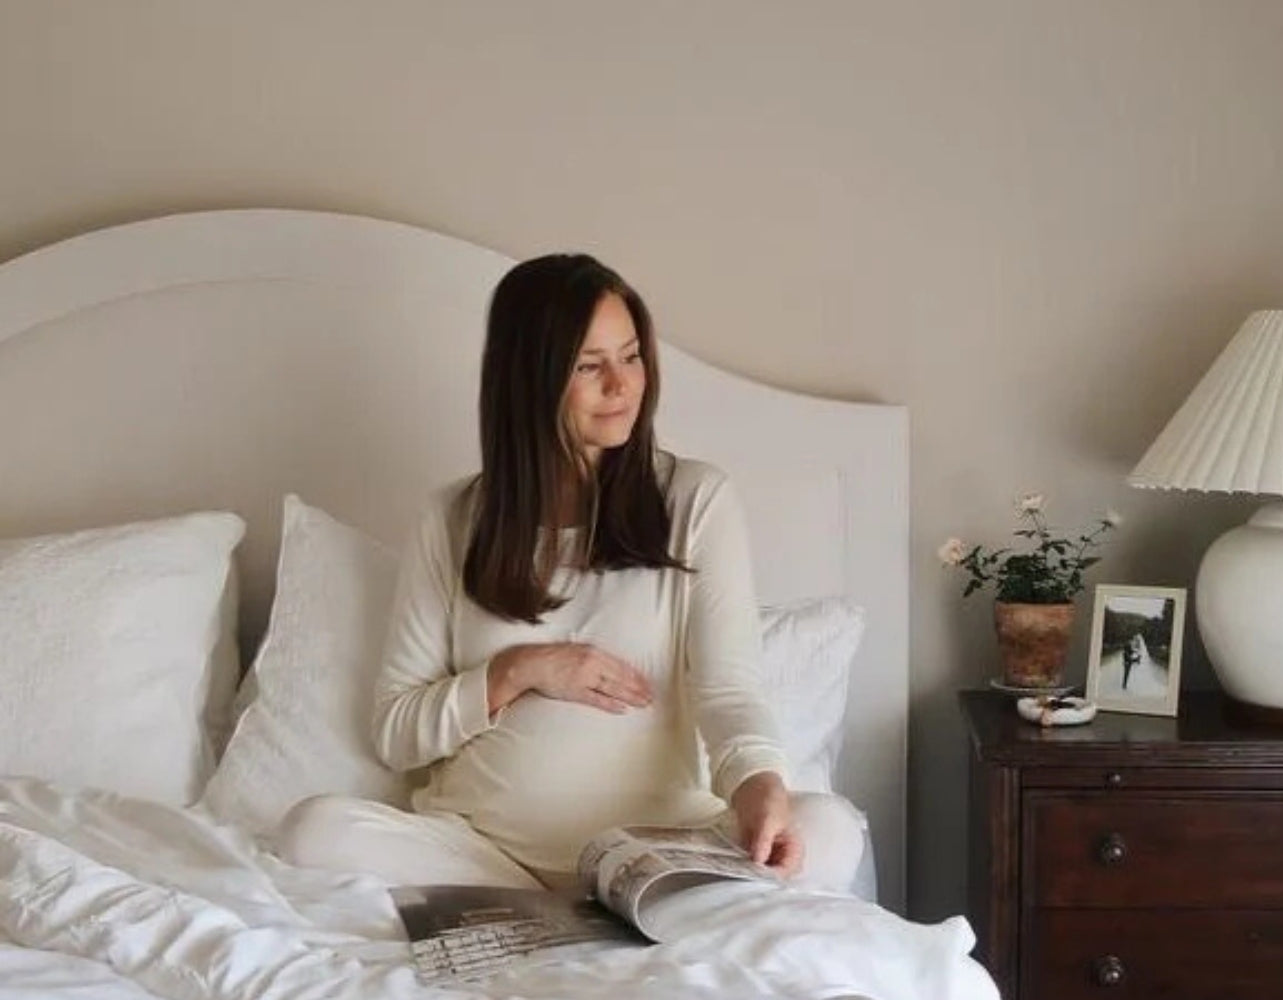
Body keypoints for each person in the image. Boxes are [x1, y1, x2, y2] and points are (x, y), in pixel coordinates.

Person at [278, 254, 865, 895]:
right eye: (590, 366)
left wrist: (760, 787)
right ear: (529, 380)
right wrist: (522, 669)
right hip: (482, 858)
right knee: (311, 833)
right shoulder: (453, 519)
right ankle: (566, 920)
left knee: (830, 829)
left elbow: (728, 692)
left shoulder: (695, 500)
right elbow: (397, 731)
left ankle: (633, 911)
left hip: (651, 856)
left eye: (632, 356)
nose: (622, 385)